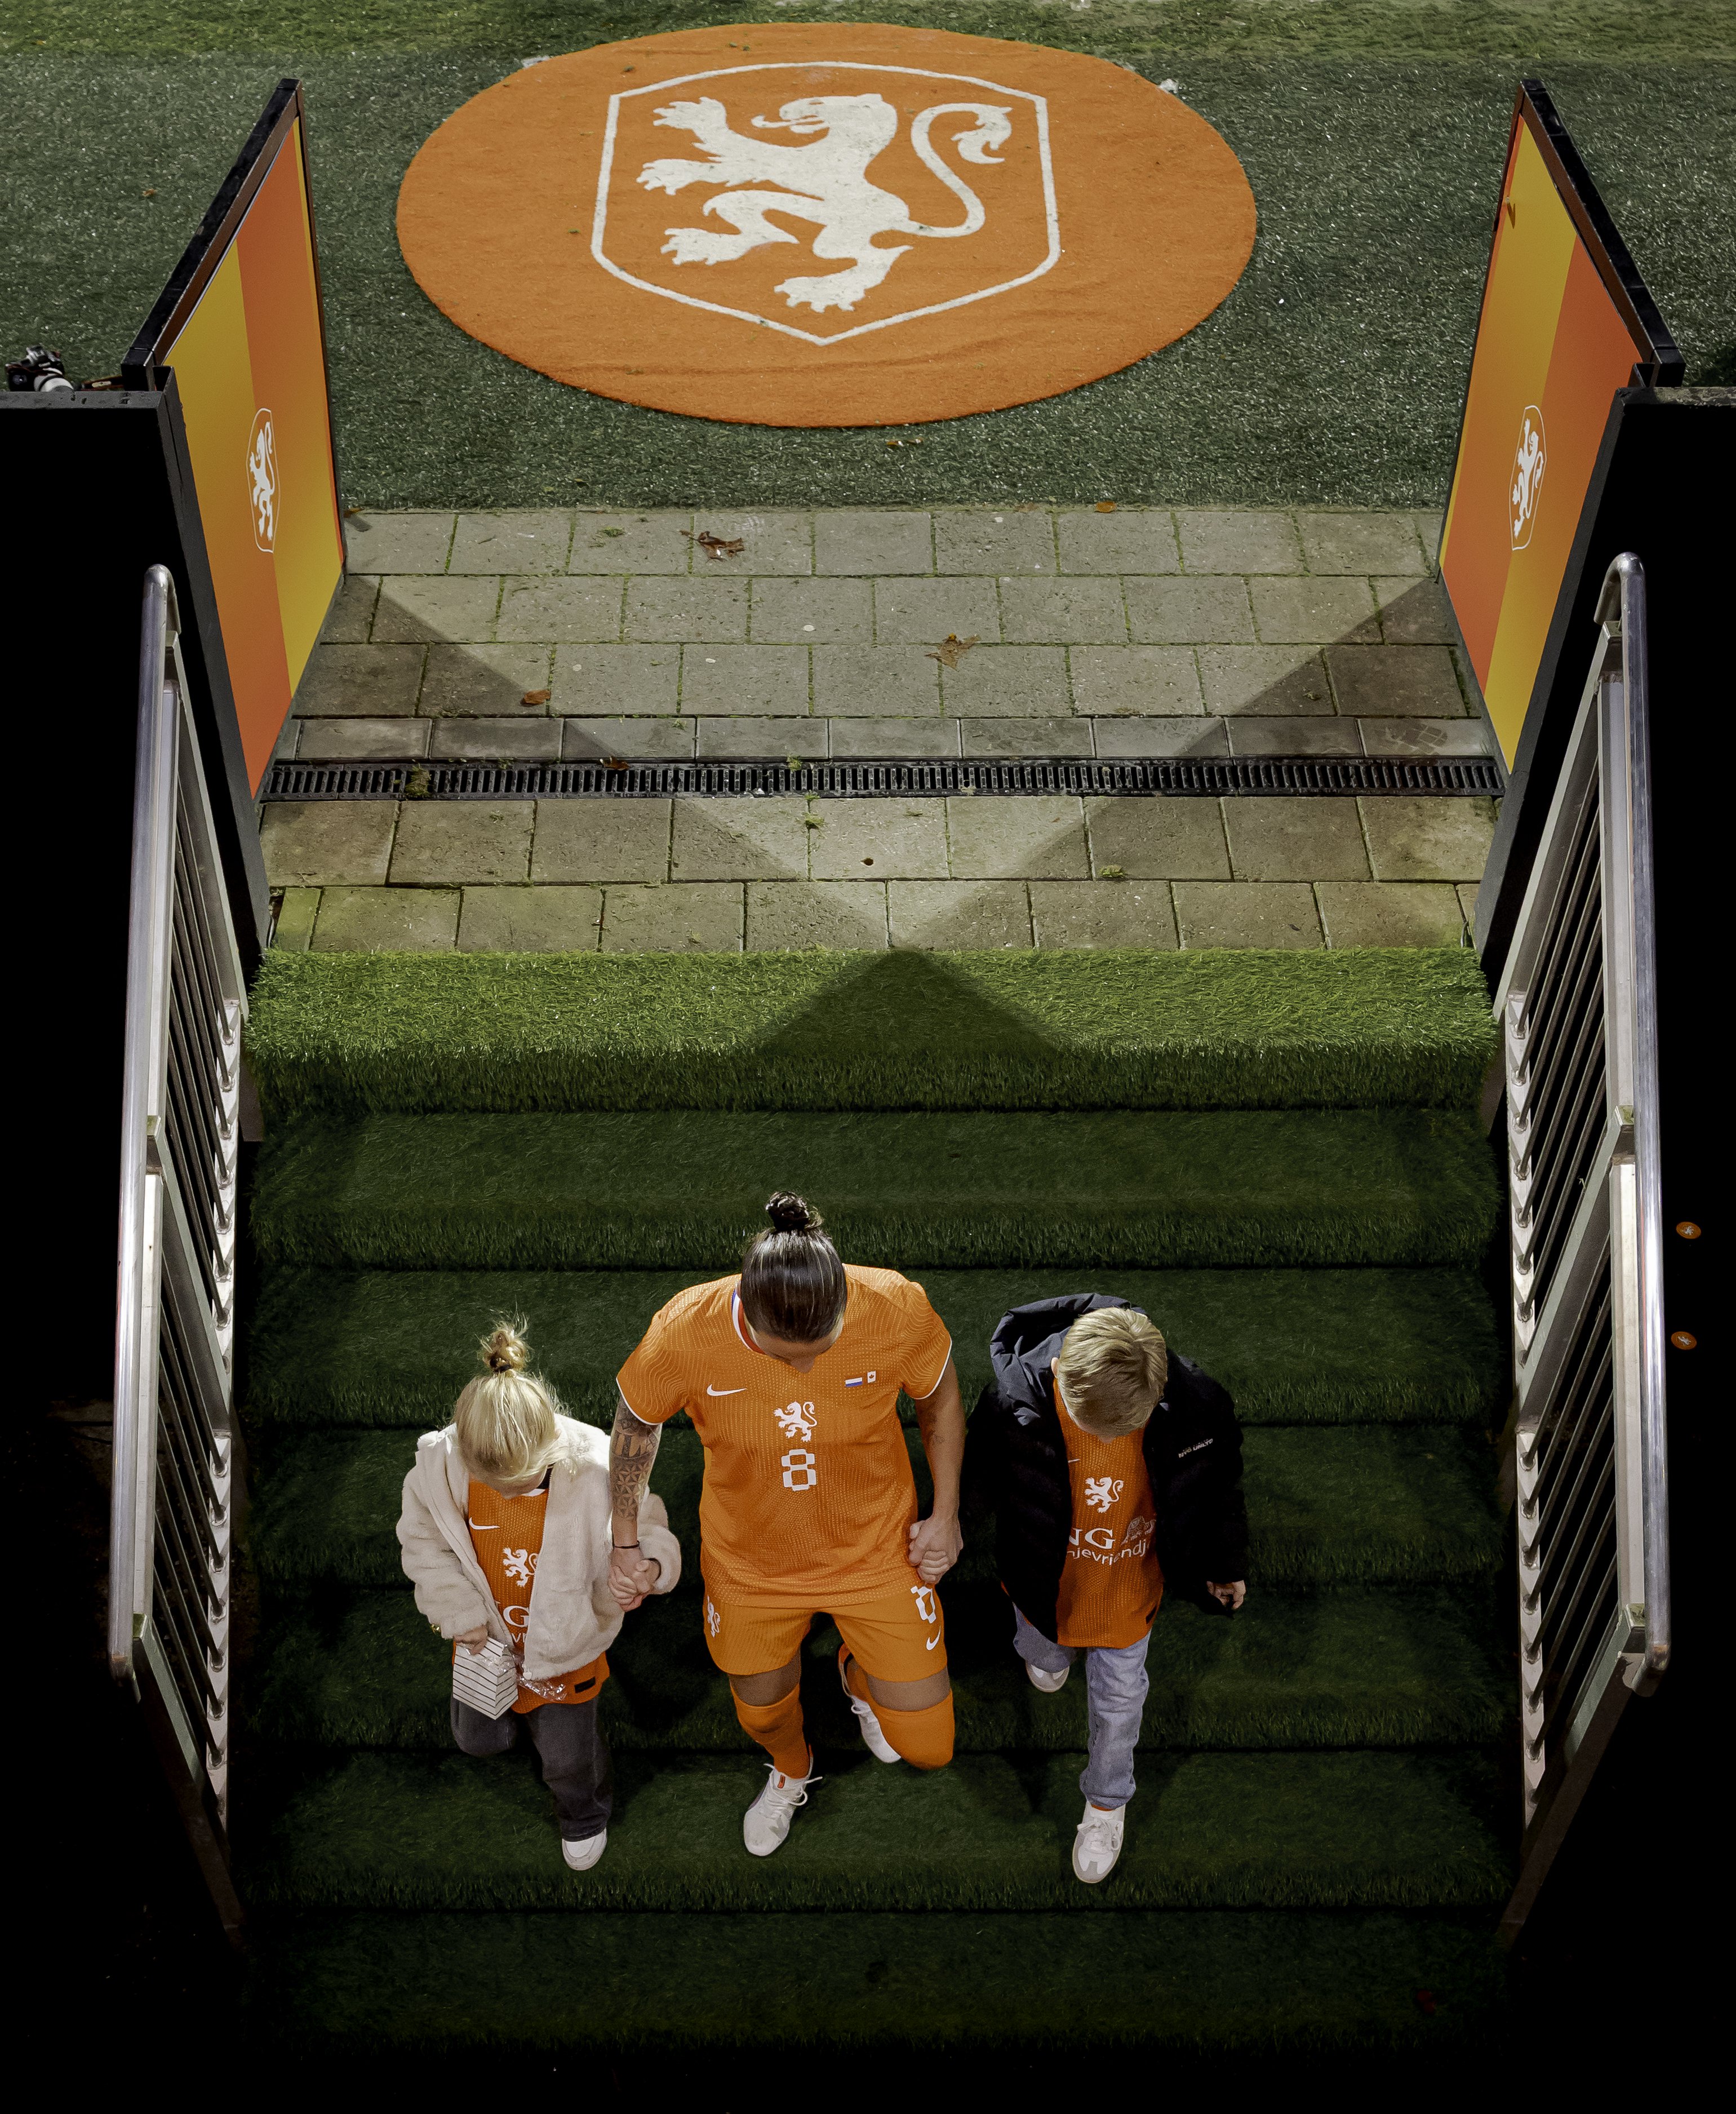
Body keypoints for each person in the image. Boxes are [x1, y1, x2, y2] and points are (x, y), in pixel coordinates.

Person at [610, 1193, 964, 1857]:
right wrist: (622, 1540)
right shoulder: (686, 1327)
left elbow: (938, 1392)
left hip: (875, 1552)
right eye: (783, 1358)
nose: (803, 1370)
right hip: (752, 1566)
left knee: (930, 1746)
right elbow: (636, 1424)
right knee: (764, 1710)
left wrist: (945, 1515)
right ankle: (792, 1768)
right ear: (747, 1311)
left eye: (818, 1352)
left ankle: (858, 1674)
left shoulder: (893, 1305)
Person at [962, 1295, 1246, 1886]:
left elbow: (1218, 1488)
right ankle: (1047, 1653)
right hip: (1043, 1578)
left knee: (1119, 1704)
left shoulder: (1197, 1405)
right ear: (1062, 1375)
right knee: (1041, 1653)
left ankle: (1107, 1802)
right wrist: (953, 1529)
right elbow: (979, 1477)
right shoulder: (1012, 1401)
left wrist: (1223, 1562)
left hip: (1127, 1587)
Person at [397, 1319, 681, 1871]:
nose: (514, 1495)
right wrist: (458, 1610)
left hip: (566, 1649)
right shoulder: (439, 1465)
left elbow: (648, 1525)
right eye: (500, 1488)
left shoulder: (598, 1461)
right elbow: (422, 1543)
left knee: (569, 1757)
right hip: (487, 1646)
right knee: (477, 1737)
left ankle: (584, 1813)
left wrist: (648, 1565)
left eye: (527, 1483)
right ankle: (528, 1736)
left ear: (552, 1444)